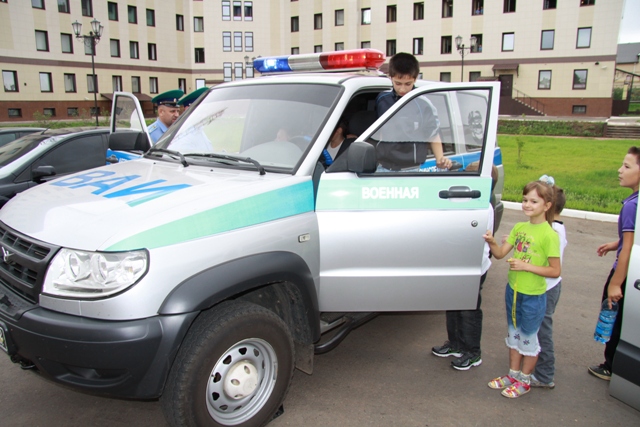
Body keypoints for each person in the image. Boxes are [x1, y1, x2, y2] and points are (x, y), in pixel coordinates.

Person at [483, 180, 561, 398]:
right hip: (513, 291)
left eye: (534, 201)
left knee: (529, 339)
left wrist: (526, 266)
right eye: (525, 200)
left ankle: (525, 380)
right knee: (514, 335)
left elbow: (555, 270)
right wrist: (492, 241)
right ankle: (513, 374)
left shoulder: (549, 235)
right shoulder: (519, 228)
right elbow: (500, 254)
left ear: (547, 205)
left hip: (533, 296)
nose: (527, 204)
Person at [431, 162, 497, 370]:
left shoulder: (482, 208)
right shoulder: (463, 203)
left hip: (473, 265)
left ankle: (472, 352)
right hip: (456, 263)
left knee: (469, 309)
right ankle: (456, 344)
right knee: (453, 304)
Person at [588, 146, 640, 381]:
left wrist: (615, 284)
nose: (620, 170)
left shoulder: (631, 206)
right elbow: (632, 238)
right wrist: (615, 243)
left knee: (615, 318)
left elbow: (629, 248)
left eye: (627, 166)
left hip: (625, 274)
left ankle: (611, 366)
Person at [375, 52, 451, 171]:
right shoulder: (382, 99)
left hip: (410, 169)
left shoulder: (423, 104)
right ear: (390, 77)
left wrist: (440, 159)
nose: (402, 89)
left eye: (408, 84)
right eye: (398, 83)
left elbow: (433, 134)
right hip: (383, 167)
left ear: (415, 79)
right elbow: (376, 130)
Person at [531, 176, 567, 389]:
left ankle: (545, 375)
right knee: (536, 328)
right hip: (543, 287)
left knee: (542, 330)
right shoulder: (555, 228)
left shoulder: (554, 232)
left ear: (547, 206)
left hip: (546, 288)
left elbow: (552, 267)